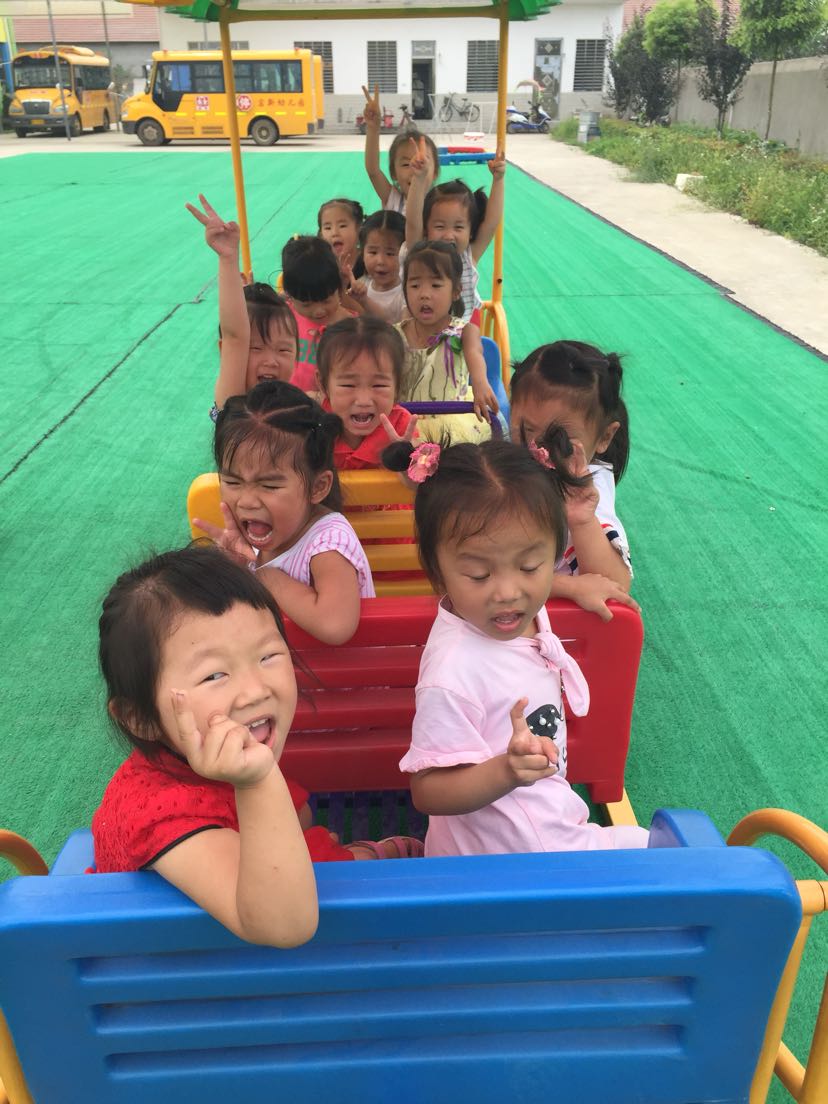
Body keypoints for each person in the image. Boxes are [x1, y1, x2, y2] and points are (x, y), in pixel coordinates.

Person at [92, 547, 423, 943]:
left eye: (267, 655)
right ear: (140, 719)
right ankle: (359, 858)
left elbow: (295, 816)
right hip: (210, 970)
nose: (255, 690)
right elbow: (285, 927)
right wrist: (258, 782)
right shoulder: (162, 817)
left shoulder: (214, 752)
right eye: (214, 675)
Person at [384, 431, 650, 858]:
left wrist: (572, 581)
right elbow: (427, 791)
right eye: (479, 575)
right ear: (436, 571)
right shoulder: (453, 671)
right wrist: (506, 771)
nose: (508, 593)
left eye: (529, 566)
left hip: (542, 824)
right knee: (668, 858)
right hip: (517, 858)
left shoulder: (515, 612)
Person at [193, 382, 374, 645]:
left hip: (343, 671)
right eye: (232, 482)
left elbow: (335, 626)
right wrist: (238, 566)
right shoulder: (270, 529)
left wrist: (261, 574)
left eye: (269, 486)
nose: (247, 501)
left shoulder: (328, 545)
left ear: (318, 487)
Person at [510, 341, 638, 622]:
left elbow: (615, 585)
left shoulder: (587, 493)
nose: (537, 449)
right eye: (526, 430)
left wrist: (581, 521)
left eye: (559, 440)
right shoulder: (504, 465)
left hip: (560, 627)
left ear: (605, 437)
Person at [186, 194, 298, 418]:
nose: (271, 361)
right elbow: (235, 336)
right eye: (255, 348)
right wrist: (228, 258)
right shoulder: (234, 403)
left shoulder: (297, 408)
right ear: (224, 351)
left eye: (284, 350)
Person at [395, 241, 498, 443]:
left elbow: (475, 355)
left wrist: (480, 383)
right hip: (406, 420)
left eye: (435, 285)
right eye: (415, 286)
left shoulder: (465, 331)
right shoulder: (394, 336)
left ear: (456, 291)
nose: (424, 294)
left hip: (452, 419)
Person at [404, 148, 505, 326]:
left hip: (460, 333)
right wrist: (419, 179)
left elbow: (491, 223)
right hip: (424, 330)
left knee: (472, 335)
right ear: (426, 229)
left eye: (458, 227)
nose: (449, 235)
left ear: (470, 230)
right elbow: (412, 222)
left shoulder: (468, 255)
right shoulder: (419, 252)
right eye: (439, 226)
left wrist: (498, 180)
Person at [316, 316, 417, 469]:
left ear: (398, 385)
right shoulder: (311, 428)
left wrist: (405, 460)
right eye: (348, 385)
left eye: (379, 385)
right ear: (323, 384)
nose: (363, 401)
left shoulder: (401, 426)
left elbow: (419, 480)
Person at [281, 236, 354, 392]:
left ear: (338, 288)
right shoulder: (284, 317)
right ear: (289, 295)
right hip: (285, 399)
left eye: (326, 300)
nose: (318, 311)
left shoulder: (351, 327)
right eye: (306, 304)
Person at [361, 83, 439, 215]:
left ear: (435, 172)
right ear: (393, 173)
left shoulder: (440, 206)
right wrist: (373, 128)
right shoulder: (393, 200)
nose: (415, 170)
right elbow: (373, 170)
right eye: (406, 164)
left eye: (422, 163)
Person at [347, 210, 407, 325]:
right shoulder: (360, 285)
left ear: (404, 254)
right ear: (362, 252)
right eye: (373, 252)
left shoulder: (405, 294)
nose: (380, 261)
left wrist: (365, 300)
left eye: (390, 254)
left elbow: (391, 327)